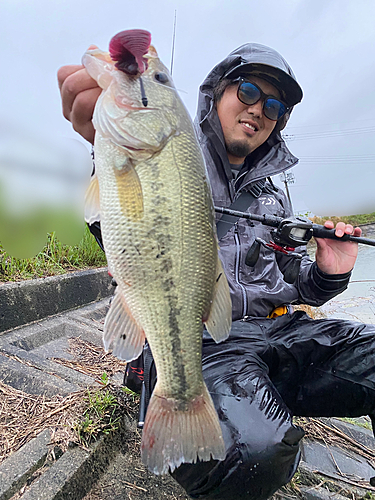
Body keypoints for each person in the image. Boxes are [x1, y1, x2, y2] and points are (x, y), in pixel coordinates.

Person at [58, 42, 375, 500]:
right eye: (248, 91)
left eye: (273, 105)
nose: (258, 110)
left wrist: (329, 271)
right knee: (256, 454)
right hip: (208, 344)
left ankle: (255, 398)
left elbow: (289, 276)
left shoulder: (274, 194)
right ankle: (181, 404)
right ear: (216, 92)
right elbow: (114, 221)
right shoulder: (174, 151)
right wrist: (104, 140)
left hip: (281, 335)